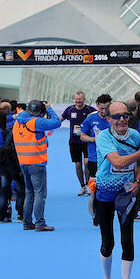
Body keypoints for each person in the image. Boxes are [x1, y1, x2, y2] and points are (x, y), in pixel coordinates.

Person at [93, 101, 140, 279]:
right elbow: (117, 162)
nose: (122, 120)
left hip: (126, 193)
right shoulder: (103, 137)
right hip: (105, 192)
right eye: (116, 116)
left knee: (128, 239)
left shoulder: (134, 135)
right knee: (108, 242)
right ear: (108, 119)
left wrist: (137, 181)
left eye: (125, 115)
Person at [14, 100, 62, 232]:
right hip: (36, 162)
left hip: (23, 161)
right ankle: (40, 223)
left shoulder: (18, 121)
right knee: (40, 193)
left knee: (29, 192)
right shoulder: (36, 122)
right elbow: (57, 122)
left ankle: (27, 222)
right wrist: (49, 109)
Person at [62, 91, 96, 196]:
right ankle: (82, 186)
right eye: (76, 99)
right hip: (74, 141)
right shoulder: (70, 110)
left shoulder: (90, 110)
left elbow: (100, 116)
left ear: (84, 99)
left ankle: (88, 184)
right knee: (78, 164)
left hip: (86, 141)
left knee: (87, 163)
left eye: (80, 99)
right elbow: (60, 119)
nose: (78, 101)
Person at [80, 94, 112, 189]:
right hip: (94, 158)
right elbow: (82, 136)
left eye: (106, 108)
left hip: (111, 158)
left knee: (109, 186)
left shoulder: (114, 118)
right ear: (97, 105)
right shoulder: (91, 118)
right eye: (101, 108)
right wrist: (94, 139)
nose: (103, 111)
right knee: (94, 188)